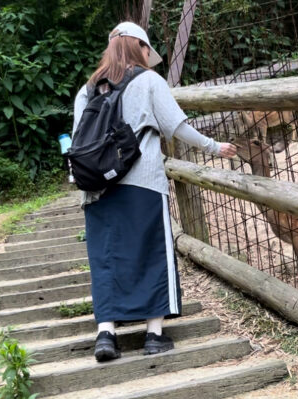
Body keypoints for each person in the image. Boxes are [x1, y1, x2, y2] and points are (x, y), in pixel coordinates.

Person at [72, 22, 236, 362]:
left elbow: (76, 142)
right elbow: (176, 126)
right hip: (142, 182)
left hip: (97, 187)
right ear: (140, 48)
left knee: (105, 259)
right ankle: (153, 335)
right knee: (152, 253)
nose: (150, 57)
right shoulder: (149, 81)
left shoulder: (87, 90)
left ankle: (106, 334)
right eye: (149, 51)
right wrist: (215, 147)